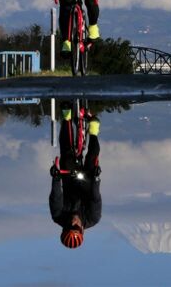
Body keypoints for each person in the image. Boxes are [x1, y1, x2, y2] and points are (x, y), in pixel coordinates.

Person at [49, 102, 102, 249]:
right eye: (76, 227)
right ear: (82, 230)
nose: (74, 222)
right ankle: (93, 129)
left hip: (70, 180)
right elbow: (95, 197)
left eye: (70, 226)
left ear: (64, 228)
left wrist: (56, 177)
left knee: (66, 154)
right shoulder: (93, 218)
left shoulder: (58, 216)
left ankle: (66, 118)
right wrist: (96, 178)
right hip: (87, 183)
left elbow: (56, 196)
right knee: (92, 158)